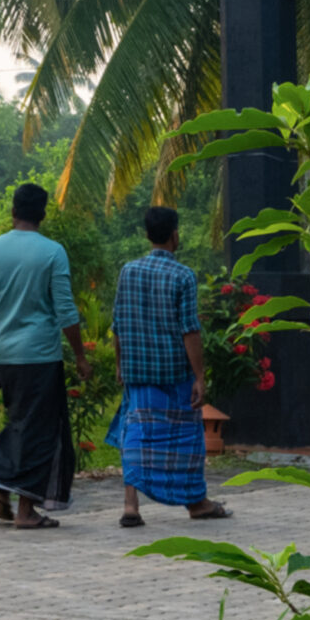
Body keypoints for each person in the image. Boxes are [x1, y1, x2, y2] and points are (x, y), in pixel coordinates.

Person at [105, 204, 231, 527]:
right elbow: (189, 329)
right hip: (174, 373)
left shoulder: (128, 271)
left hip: (138, 373)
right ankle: (196, 502)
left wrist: (119, 363)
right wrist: (199, 376)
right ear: (175, 235)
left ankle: (130, 505)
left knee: (134, 434)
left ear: (148, 235)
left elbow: (118, 323)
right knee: (187, 438)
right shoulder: (183, 276)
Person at [0, 183, 87, 529]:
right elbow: (66, 311)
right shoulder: (52, 252)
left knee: (20, 422)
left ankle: (2, 490)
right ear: (43, 214)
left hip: (6, 355)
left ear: (13, 211)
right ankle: (23, 508)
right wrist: (80, 356)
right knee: (39, 431)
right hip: (40, 355)